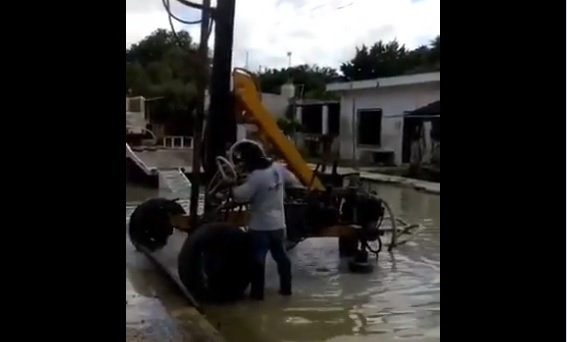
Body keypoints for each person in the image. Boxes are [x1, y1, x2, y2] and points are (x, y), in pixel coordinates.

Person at [230, 141, 302, 300]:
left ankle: (257, 295)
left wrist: (233, 185)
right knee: (282, 257)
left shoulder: (256, 177)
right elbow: (293, 180)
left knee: (258, 261)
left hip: (260, 227)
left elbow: (240, 195)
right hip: (278, 225)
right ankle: (286, 289)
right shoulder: (277, 168)